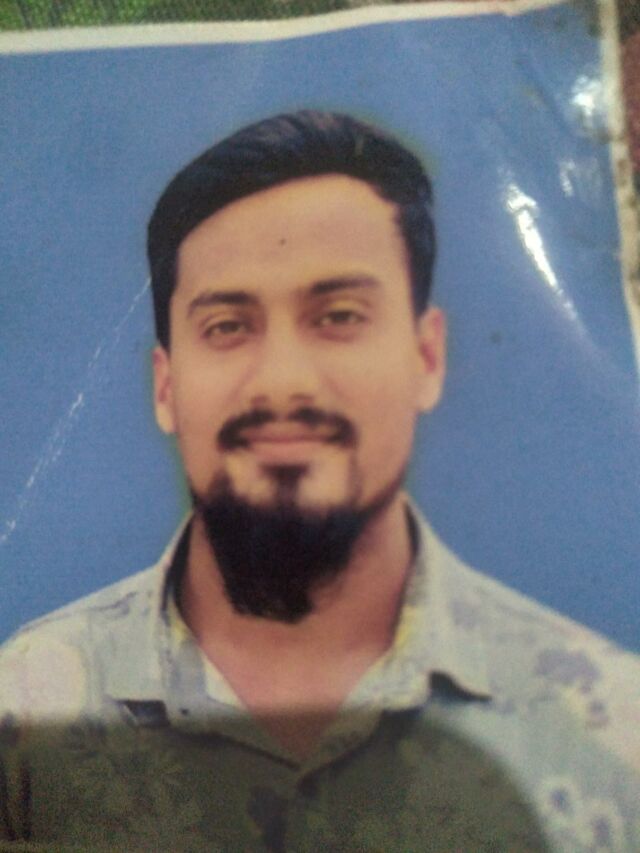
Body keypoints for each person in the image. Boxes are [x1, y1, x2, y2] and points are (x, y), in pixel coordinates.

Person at [0, 110, 638, 852]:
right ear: (165, 386)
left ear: (427, 358)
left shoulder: (613, 733)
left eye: (338, 315)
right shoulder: (24, 715)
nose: (282, 381)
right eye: (227, 326)